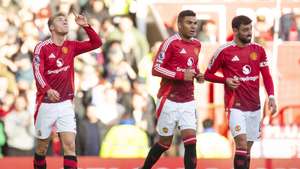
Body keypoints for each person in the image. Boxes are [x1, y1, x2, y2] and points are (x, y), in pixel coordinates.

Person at [204, 15, 277, 169]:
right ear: (235, 30)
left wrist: (271, 96)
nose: (249, 33)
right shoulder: (224, 51)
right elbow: (207, 74)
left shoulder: (259, 50)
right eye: (245, 30)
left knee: (247, 149)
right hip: (235, 106)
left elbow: (267, 75)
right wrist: (225, 80)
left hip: (255, 107)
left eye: (250, 29)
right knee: (241, 144)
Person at [32, 11, 102, 169]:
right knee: (42, 147)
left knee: (70, 146)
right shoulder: (42, 48)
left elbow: (96, 43)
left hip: (66, 103)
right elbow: (37, 72)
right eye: (60, 20)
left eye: (66, 20)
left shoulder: (71, 45)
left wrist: (86, 26)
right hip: (46, 103)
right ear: (51, 27)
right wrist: (47, 89)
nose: (65, 21)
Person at [140, 10, 204, 169]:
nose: (193, 26)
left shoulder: (197, 44)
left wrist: (197, 75)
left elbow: (192, 66)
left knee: (191, 141)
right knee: (164, 143)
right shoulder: (170, 43)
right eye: (189, 23)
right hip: (169, 99)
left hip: (188, 100)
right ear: (180, 24)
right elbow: (156, 69)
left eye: (195, 23)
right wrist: (181, 75)